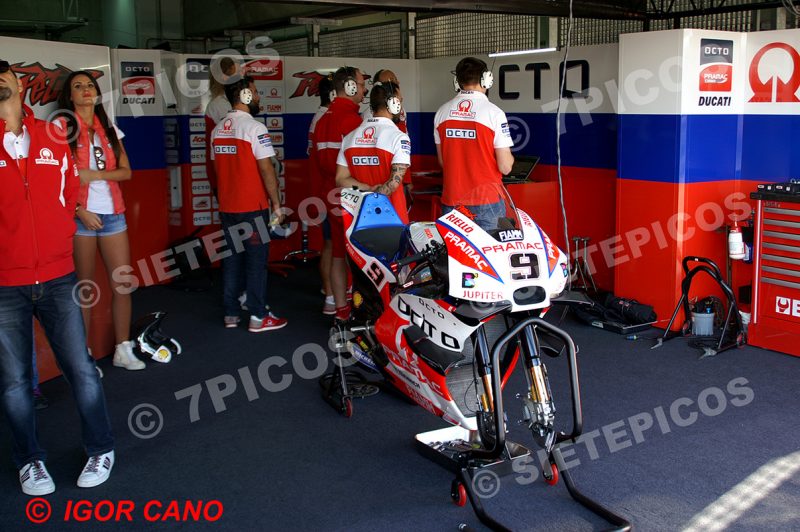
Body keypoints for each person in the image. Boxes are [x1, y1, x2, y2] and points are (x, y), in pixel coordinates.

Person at [0, 59, 115, 495]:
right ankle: (29, 460)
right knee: (13, 382)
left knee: (80, 369)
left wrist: (63, 225)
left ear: (17, 83)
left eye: (4, 75)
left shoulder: (50, 135)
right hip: (5, 281)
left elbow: (68, 193)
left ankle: (101, 447)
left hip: (56, 274)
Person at [56, 71, 144, 371]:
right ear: (69, 95)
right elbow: (57, 176)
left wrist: (95, 175)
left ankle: (123, 349)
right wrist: (80, 209)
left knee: (123, 283)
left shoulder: (109, 128)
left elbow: (126, 172)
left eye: (90, 85)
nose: (85, 90)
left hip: (113, 215)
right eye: (78, 87)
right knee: (83, 287)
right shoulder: (61, 126)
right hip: (80, 218)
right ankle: (83, 357)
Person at [211, 75, 287, 332]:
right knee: (256, 263)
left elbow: (214, 172)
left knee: (232, 260)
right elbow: (267, 171)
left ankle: (231, 313)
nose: (257, 97)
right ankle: (257, 315)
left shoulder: (217, 129)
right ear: (244, 95)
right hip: (252, 208)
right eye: (254, 92)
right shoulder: (256, 128)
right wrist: (276, 204)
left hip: (227, 208)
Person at [311, 66, 368, 322]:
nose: (364, 89)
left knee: (335, 253)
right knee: (360, 258)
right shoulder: (353, 122)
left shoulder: (322, 120)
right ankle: (362, 312)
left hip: (328, 196)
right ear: (351, 87)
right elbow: (362, 167)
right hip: (351, 199)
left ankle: (340, 310)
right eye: (361, 84)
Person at [433, 57, 515, 228]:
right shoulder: (494, 113)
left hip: (452, 200)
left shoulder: (441, 113)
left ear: (457, 81)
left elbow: (442, 162)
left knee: (455, 255)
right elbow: (505, 167)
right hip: (488, 202)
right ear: (486, 79)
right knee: (490, 254)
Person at [336, 81, 411, 224]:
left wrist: (368, 189)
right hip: (393, 217)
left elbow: (340, 179)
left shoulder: (349, 138)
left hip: (359, 219)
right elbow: (394, 183)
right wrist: (375, 197)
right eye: (400, 101)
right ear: (393, 104)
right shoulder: (399, 137)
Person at [307, 74, 336, 315]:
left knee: (330, 244)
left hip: (324, 189)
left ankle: (329, 292)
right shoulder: (325, 119)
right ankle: (330, 293)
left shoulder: (321, 117)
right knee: (331, 245)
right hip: (330, 191)